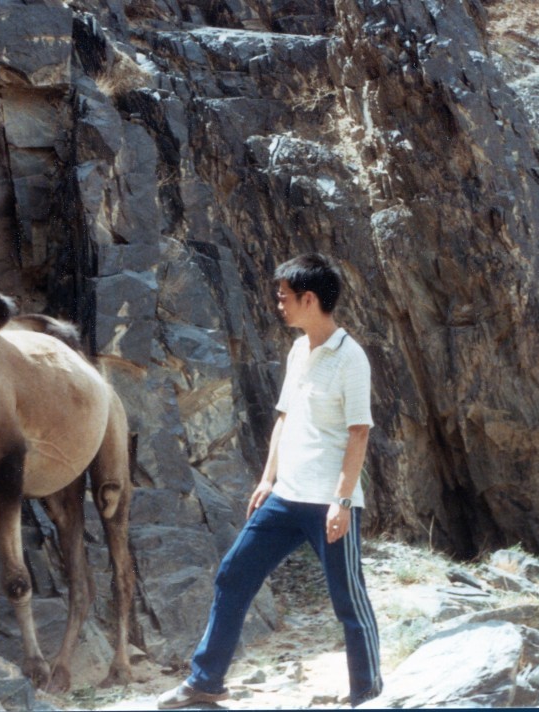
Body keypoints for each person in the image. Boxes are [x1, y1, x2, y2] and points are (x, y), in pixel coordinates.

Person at [156, 253, 383, 709]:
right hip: (285, 498)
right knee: (234, 576)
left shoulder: (350, 357)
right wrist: (267, 479)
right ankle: (206, 682)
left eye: (284, 297)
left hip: (328, 502)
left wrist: (342, 500)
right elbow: (283, 418)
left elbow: (359, 432)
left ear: (309, 298)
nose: (278, 304)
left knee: (348, 600)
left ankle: (367, 693)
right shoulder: (299, 349)